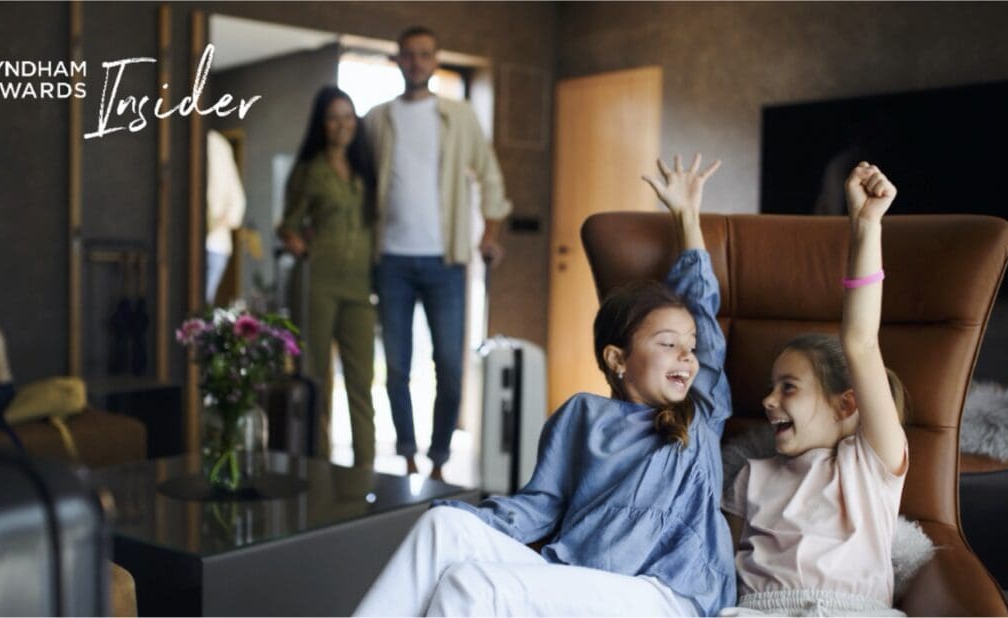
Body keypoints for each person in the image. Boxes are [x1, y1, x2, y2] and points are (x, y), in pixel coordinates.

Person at [353, 153, 735, 617]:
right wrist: (476, 525)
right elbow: (540, 504)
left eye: (689, 347)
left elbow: (701, 309)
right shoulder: (581, 415)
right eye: (667, 344)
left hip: (666, 592)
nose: (686, 356)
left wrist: (686, 216)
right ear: (617, 360)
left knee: (472, 588)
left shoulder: (701, 411)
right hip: (577, 573)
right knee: (443, 526)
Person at [720, 163, 910, 617]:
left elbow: (861, 342)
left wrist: (866, 226)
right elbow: (719, 569)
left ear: (846, 402)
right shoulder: (751, 476)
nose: (768, 400)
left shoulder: (871, 465)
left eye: (789, 387)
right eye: (771, 387)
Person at [363, 25, 512, 481]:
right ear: (398, 60)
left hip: (446, 260)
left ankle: (440, 458)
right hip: (390, 259)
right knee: (396, 367)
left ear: (435, 59)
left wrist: (489, 234)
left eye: (424, 55)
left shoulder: (458, 115)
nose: (416, 62)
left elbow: (490, 177)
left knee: (449, 365)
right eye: (407, 55)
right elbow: (360, 187)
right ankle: (406, 454)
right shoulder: (377, 119)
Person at [277, 86, 378, 468]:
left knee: (362, 383)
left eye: (348, 116)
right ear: (322, 124)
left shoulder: (365, 170)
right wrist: (299, 245)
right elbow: (287, 225)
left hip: (359, 287)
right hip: (318, 283)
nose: (342, 124)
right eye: (334, 117)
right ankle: (319, 464)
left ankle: (365, 471)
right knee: (316, 379)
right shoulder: (309, 171)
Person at [205, 129, 246, 304]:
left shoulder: (218, 145)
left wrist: (215, 223)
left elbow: (237, 204)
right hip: (215, 243)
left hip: (214, 241)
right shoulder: (219, 145)